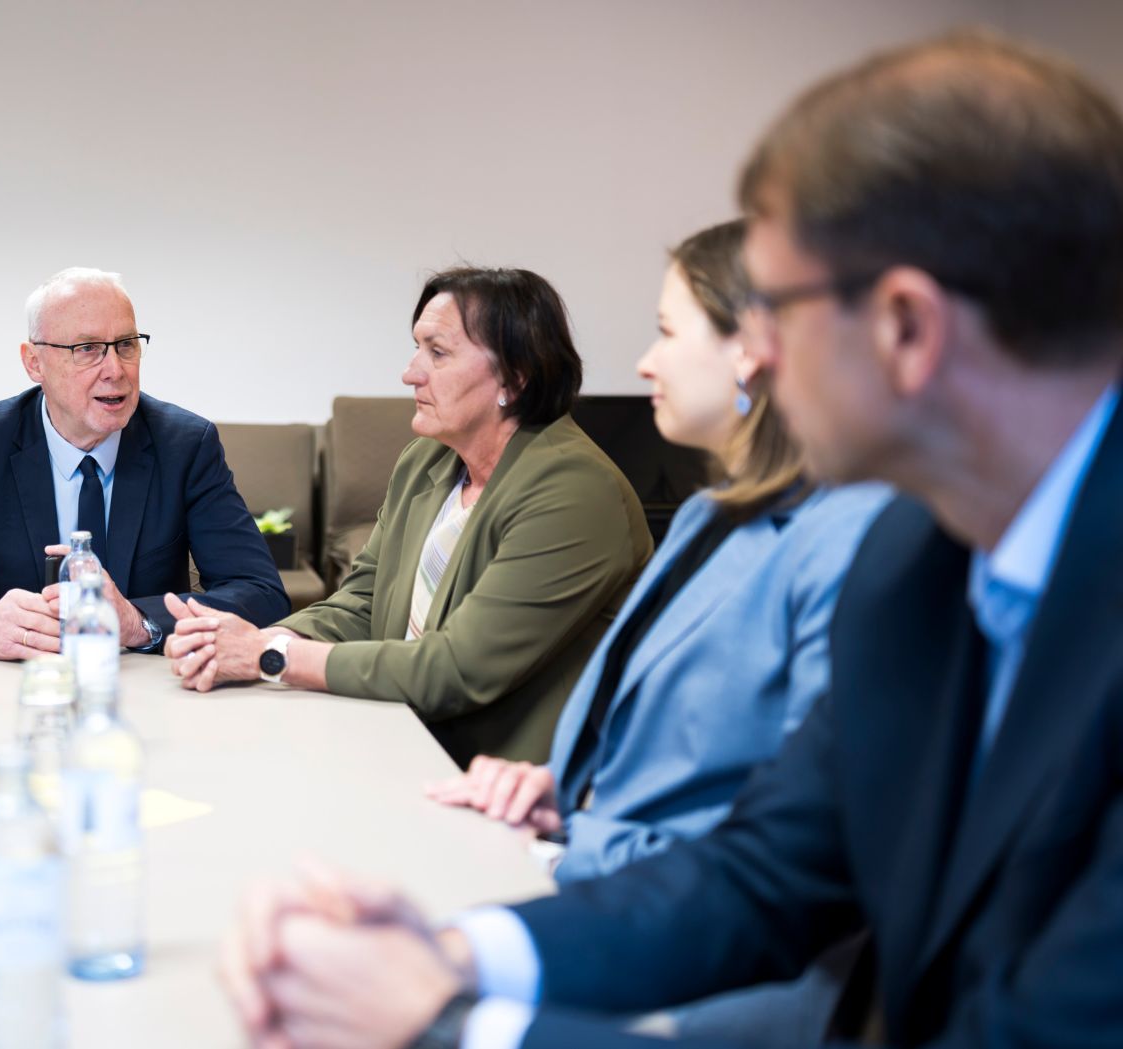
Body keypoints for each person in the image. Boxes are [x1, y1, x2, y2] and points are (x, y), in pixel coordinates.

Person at [220, 30, 1123, 1049]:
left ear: (905, 329)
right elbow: (765, 872)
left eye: (772, 309)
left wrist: (449, 1023)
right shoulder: (914, 559)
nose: (755, 355)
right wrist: (453, 953)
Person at [427, 221, 889, 890]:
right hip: (604, 867)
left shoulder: (852, 541)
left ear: (753, 349)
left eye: (669, 332)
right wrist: (569, 796)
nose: (647, 362)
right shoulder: (708, 517)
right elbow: (694, 759)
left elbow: (802, 838)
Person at [166, 268, 652, 766]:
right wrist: (256, 640)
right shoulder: (427, 460)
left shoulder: (574, 491)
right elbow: (362, 602)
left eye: (437, 353)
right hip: (399, 737)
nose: (410, 372)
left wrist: (271, 658)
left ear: (516, 375)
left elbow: (457, 669)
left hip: (504, 784)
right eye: (417, 347)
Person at [0, 267, 287, 659]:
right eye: (87, 349)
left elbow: (261, 593)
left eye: (126, 344)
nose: (115, 369)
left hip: (147, 685)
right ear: (34, 363)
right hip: (11, 693)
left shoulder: (184, 445)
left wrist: (140, 621)